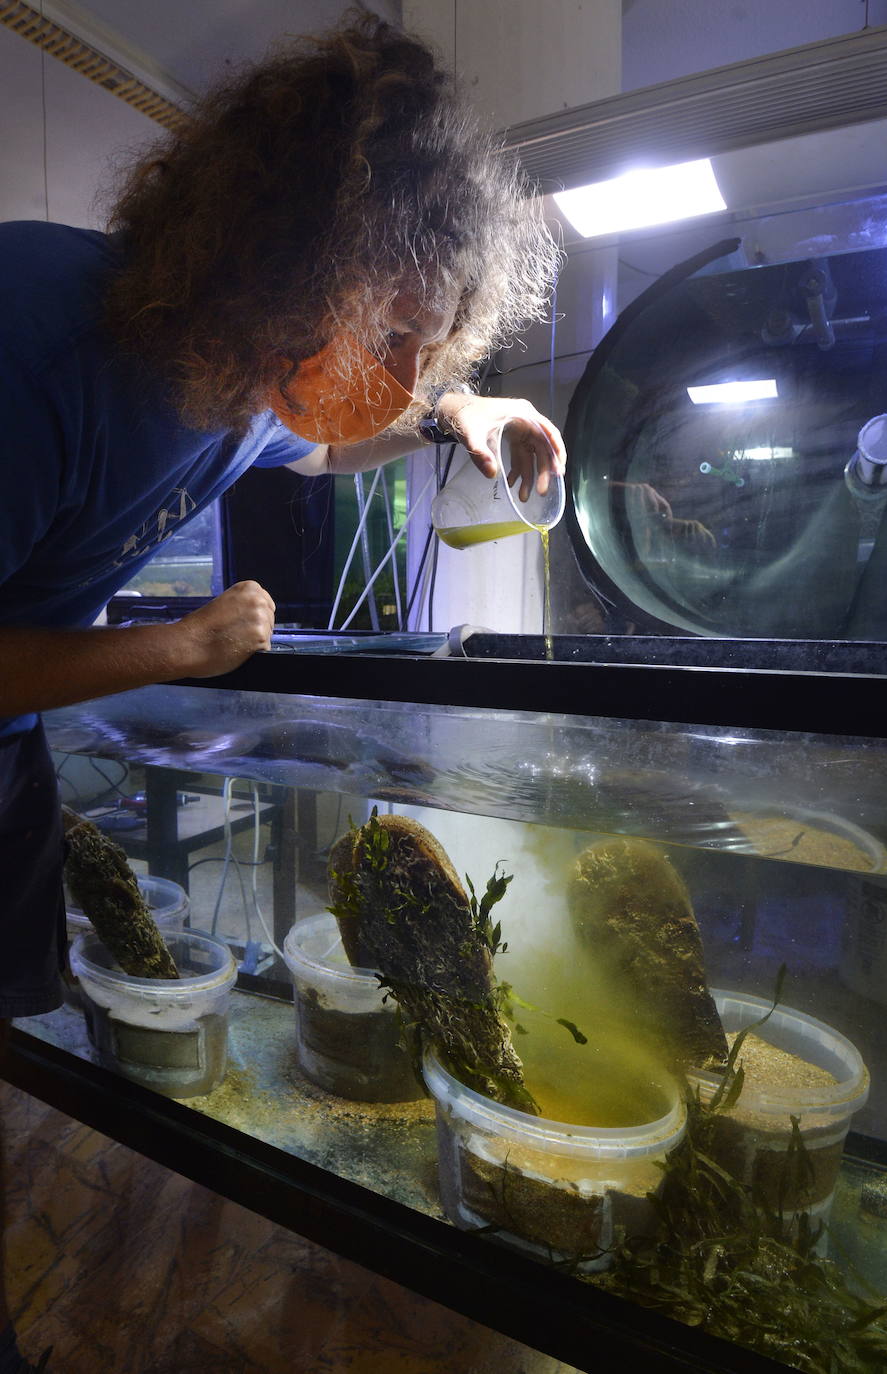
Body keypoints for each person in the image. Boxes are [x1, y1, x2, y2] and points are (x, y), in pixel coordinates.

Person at [0, 12, 565, 1370]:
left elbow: (313, 445)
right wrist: (173, 650)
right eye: (397, 332)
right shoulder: (35, 348)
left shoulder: (251, 368)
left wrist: (450, 414)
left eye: (429, 345)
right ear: (278, 251)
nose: (399, 367)